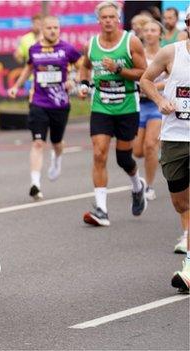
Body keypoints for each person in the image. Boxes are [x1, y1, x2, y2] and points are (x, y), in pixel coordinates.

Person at [78, 1, 147, 227]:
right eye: (104, 17)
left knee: (124, 158)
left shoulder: (131, 42)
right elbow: (85, 66)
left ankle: (137, 187)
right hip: (101, 106)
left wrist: (118, 69)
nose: (108, 21)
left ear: (118, 19)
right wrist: (85, 84)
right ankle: (102, 209)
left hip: (127, 105)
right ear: (98, 21)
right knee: (99, 153)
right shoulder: (92, 44)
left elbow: (144, 73)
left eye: (112, 17)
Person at [140, 12, 190, 292]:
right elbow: (145, 80)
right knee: (181, 203)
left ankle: (189, 267)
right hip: (173, 138)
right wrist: (160, 99)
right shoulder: (171, 52)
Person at [8, 15, 81, 200]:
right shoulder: (34, 49)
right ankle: (35, 183)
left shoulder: (67, 49)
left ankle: (57, 159)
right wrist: (16, 86)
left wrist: (73, 80)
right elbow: (28, 69)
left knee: (57, 143)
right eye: (49, 28)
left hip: (60, 104)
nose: (53, 31)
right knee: (38, 143)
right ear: (43, 29)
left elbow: (84, 68)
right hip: (39, 102)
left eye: (56, 28)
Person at [133, 20, 165, 201]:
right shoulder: (138, 54)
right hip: (138, 105)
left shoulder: (166, 53)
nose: (150, 33)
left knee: (150, 145)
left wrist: (151, 87)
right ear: (142, 34)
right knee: (137, 151)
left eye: (154, 30)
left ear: (160, 34)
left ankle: (149, 186)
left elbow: (171, 80)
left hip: (157, 104)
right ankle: (156, 152)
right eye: (147, 30)